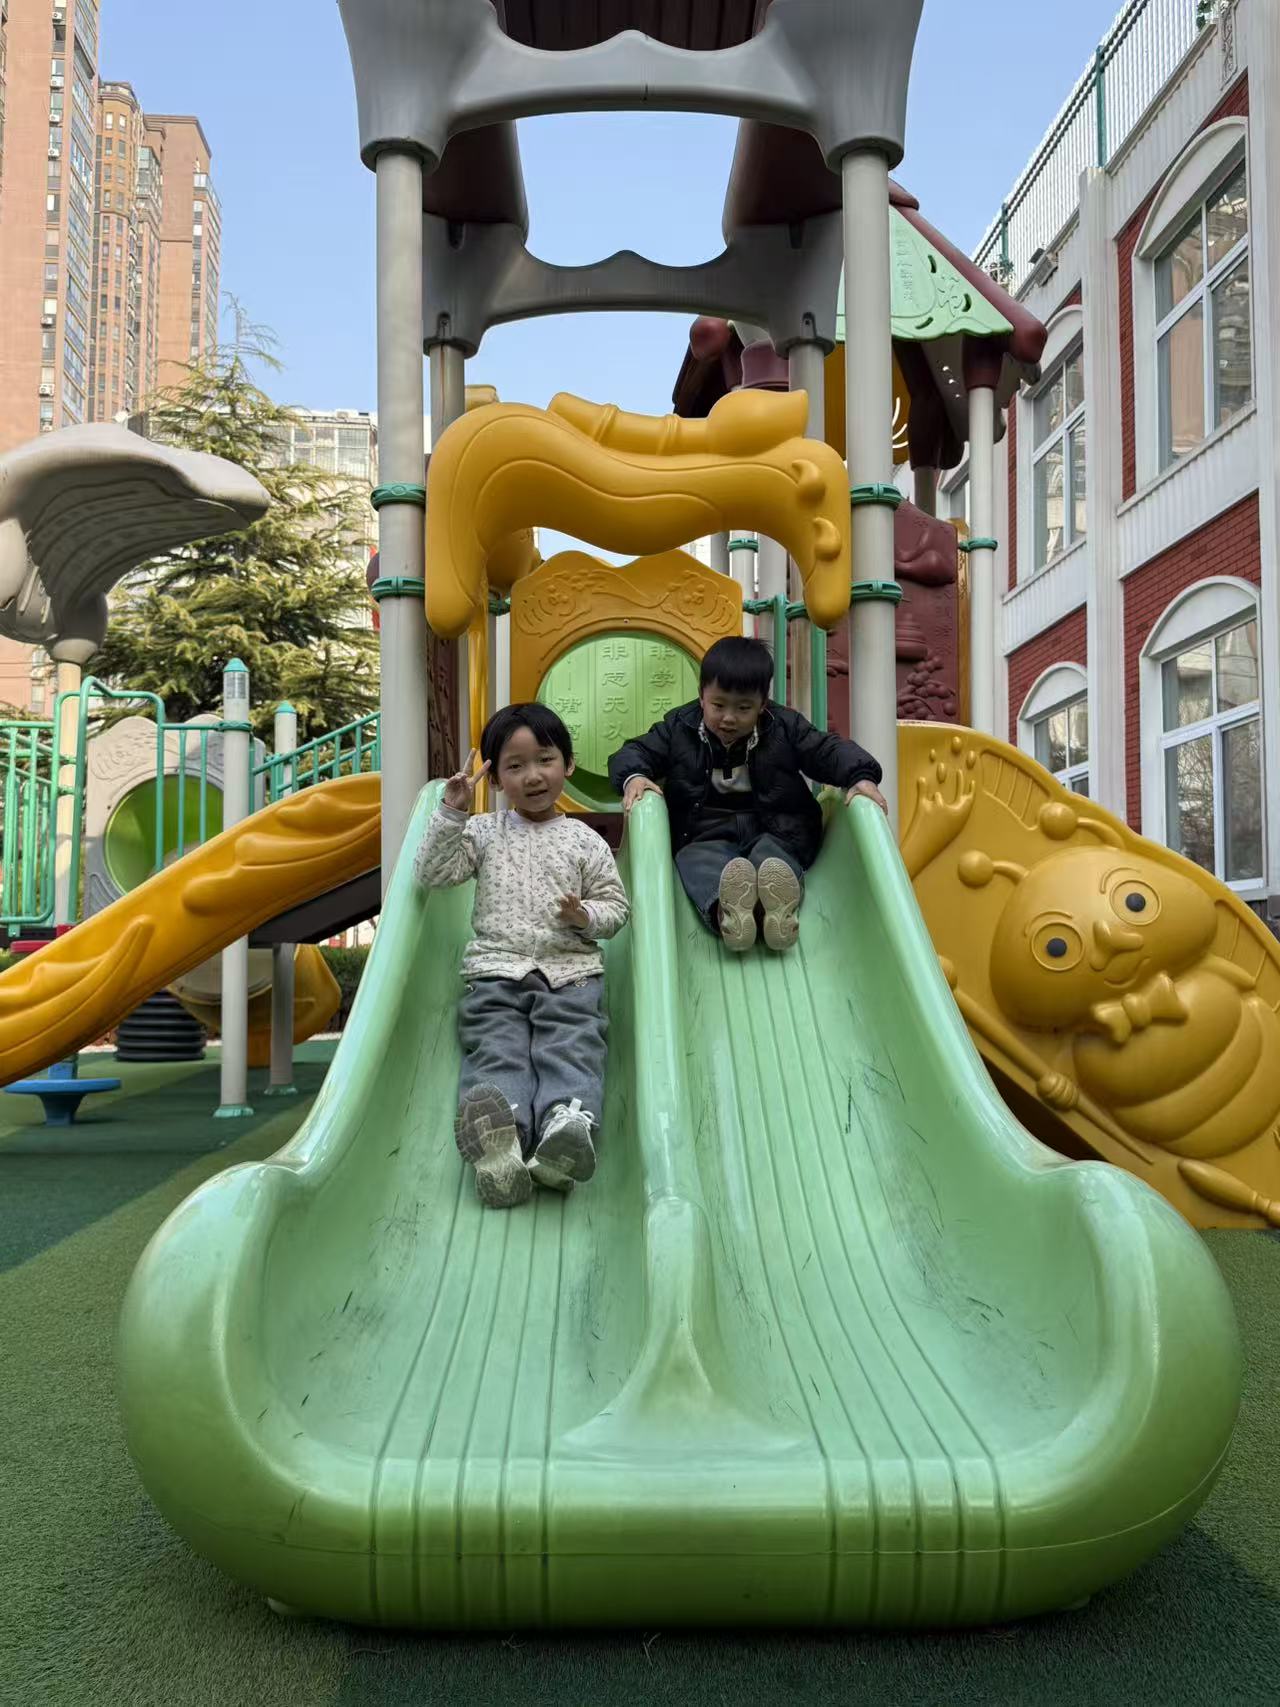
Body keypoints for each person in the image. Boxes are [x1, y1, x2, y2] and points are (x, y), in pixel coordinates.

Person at [414, 703, 629, 1210]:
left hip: (571, 973)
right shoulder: (484, 832)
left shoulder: (584, 840)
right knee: (497, 1048)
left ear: (568, 764)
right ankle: (502, 1139)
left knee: (572, 1045)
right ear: (495, 778)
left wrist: (584, 917)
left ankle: (565, 1129)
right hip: (496, 972)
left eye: (545, 760)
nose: (533, 776)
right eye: (515, 766)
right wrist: (452, 812)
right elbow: (433, 873)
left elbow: (616, 907)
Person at [607, 635, 886, 952]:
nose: (728, 718)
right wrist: (635, 776)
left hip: (775, 826)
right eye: (718, 705)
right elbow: (635, 751)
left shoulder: (783, 726)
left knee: (773, 860)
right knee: (697, 860)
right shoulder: (679, 728)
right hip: (705, 831)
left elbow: (824, 750)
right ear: (701, 697)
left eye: (743, 708)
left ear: (762, 705)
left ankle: (774, 910)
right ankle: (727, 914)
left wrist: (860, 775)